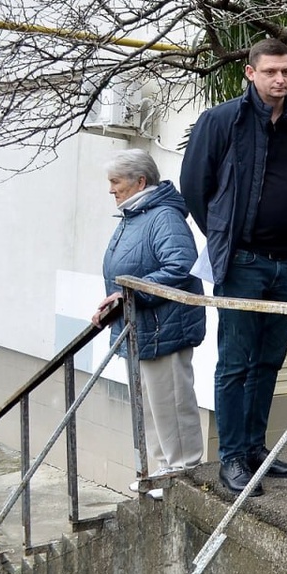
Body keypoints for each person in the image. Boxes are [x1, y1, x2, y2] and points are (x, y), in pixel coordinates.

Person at [181, 38, 287, 496]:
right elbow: (195, 186)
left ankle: (256, 450)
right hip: (243, 262)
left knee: (269, 361)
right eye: (271, 71)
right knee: (236, 362)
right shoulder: (223, 120)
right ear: (251, 73)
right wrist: (226, 234)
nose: (280, 79)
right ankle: (233, 457)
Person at [93, 150, 206, 501]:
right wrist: (114, 304)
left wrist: (130, 294)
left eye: (116, 182)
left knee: (171, 403)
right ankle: (164, 469)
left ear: (140, 181)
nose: (111, 189)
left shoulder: (164, 217)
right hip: (142, 327)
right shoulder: (136, 215)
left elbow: (180, 266)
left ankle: (183, 472)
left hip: (165, 327)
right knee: (153, 406)